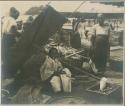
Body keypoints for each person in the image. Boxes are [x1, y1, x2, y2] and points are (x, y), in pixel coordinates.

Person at [2, 7, 20, 78]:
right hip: (9, 40)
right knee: (11, 56)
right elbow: (13, 29)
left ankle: (5, 74)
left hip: (4, 39)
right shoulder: (12, 20)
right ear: (14, 14)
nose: (17, 17)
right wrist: (20, 34)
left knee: (5, 56)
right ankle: (10, 74)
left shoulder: (6, 19)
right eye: (17, 16)